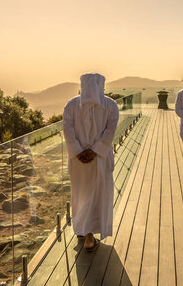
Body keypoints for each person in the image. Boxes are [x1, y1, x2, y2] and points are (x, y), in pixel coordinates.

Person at [62, 73, 119, 251]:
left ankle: (82, 229)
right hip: (99, 159)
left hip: (79, 161)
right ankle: (89, 235)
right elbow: (110, 132)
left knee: (81, 193)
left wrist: (79, 151)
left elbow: (67, 130)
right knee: (98, 194)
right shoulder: (111, 105)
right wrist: (94, 151)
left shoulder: (71, 105)